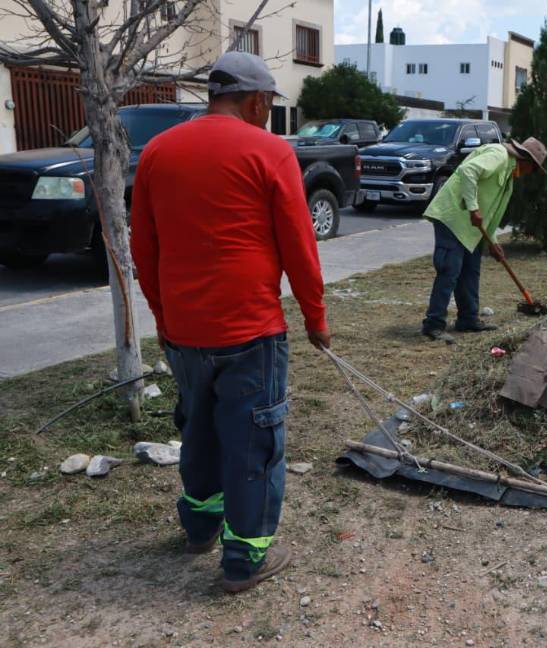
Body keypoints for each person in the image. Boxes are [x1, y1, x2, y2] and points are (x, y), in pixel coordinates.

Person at [131, 51, 330, 594]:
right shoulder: (269, 151)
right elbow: (299, 245)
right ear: (258, 100)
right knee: (253, 444)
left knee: (198, 431)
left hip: (184, 333)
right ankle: (246, 560)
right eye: (269, 104)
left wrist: (164, 316)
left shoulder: (157, 151)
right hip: (251, 332)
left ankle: (199, 528)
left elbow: (143, 247)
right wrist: (316, 317)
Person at [421, 136, 547, 342]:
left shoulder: (508, 177)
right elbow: (467, 171)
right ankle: (433, 325)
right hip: (453, 218)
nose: (529, 174)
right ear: (526, 161)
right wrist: (473, 207)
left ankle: (468, 320)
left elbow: (489, 215)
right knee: (449, 270)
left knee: (471, 272)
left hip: (470, 228)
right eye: (533, 169)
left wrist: (494, 243)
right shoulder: (498, 155)